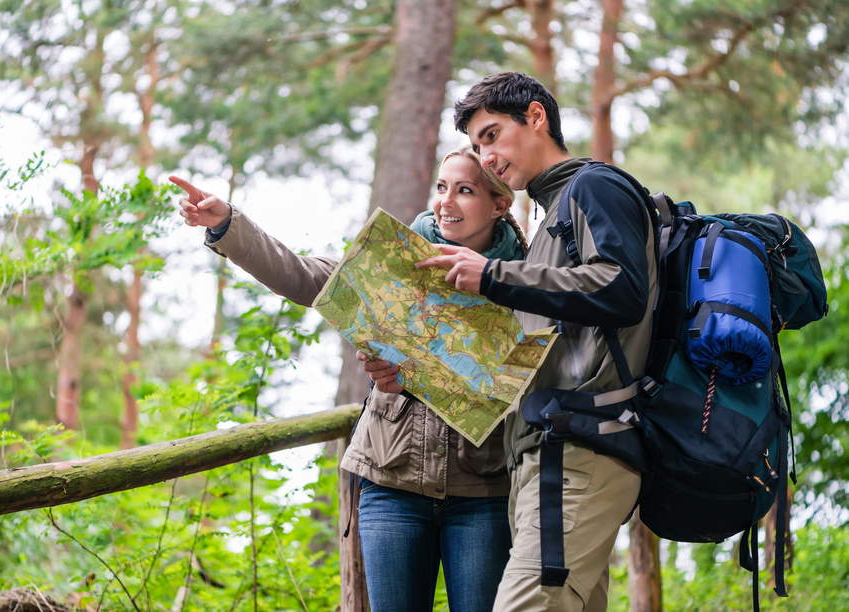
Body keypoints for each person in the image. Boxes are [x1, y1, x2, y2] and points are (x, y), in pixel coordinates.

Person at [170, 146, 529, 612]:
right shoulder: (398, 258)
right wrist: (227, 226)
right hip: (390, 482)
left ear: (500, 204)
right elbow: (303, 275)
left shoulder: (524, 278)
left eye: (465, 190)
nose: (446, 201)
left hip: (484, 491)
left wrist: (442, 377)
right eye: (442, 187)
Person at [382, 72, 656, 612]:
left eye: (491, 135)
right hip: (546, 459)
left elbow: (623, 289)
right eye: (477, 144)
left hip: (579, 452)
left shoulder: (593, 187)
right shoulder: (554, 213)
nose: (485, 156)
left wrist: (495, 276)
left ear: (535, 117)